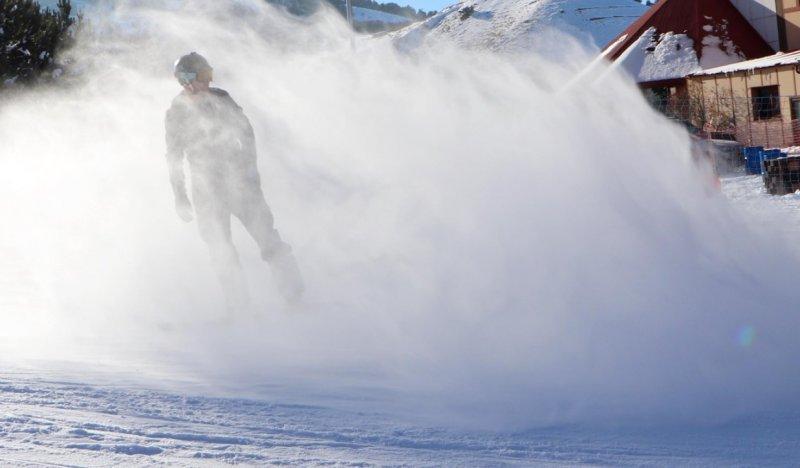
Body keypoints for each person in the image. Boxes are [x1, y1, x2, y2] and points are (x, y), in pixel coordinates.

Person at [164, 52, 303, 307]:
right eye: (203, 77)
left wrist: (250, 169)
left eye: (210, 76)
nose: (208, 82)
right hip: (206, 191)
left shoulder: (222, 99)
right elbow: (173, 157)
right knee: (220, 250)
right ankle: (239, 308)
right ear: (186, 80)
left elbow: (246, 132)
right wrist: (180, 195)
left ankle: (295, 297)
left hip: (239, 182)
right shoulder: (176, 113)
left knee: (267, 237)